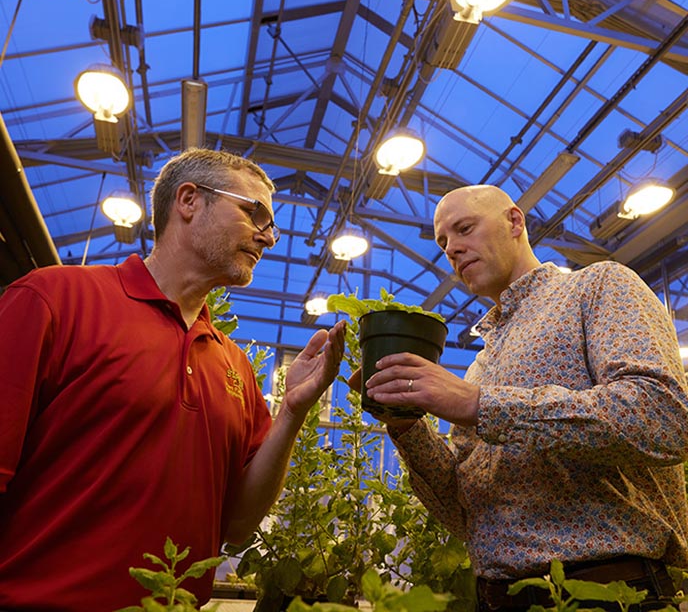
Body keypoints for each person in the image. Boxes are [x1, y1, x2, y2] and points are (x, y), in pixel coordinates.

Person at [0, 147, 345, 611]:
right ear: (188, 200)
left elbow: (238, 526)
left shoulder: (235, 366)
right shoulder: (55, 300)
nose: (268, 237)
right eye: (254, 214)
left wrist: (292, 411)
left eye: (271, 224)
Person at [359, 184, 688, 611]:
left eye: (464, 229)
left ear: (515, 222)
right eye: (443, 242)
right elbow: (465, 515)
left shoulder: (598, 286)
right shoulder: (481, 364)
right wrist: (406, 425)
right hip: (498, 598)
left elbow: (664, 417)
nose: (452, 249)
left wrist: (480, 404)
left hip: (606, 591)